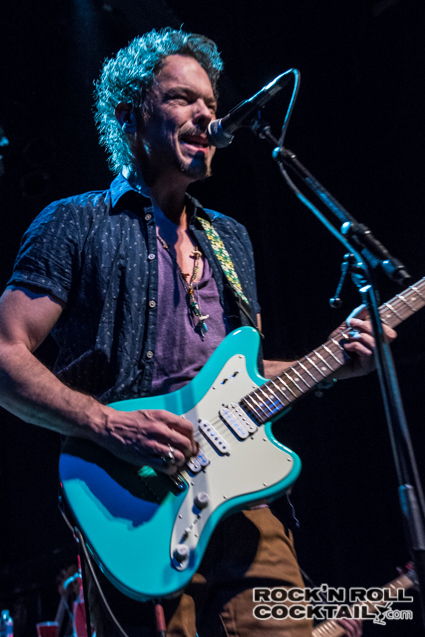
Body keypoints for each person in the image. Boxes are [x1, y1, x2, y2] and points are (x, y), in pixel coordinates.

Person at [0, 28, 394, 637]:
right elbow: (6, 354)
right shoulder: (75, 222)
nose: (208, 115)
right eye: (183, 99)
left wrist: (333, 364)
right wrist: (106, 423)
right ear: (130, 116)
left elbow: (246, 378)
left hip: (249, 506)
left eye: (211, 102)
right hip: (136, 505)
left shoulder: (230, 238)